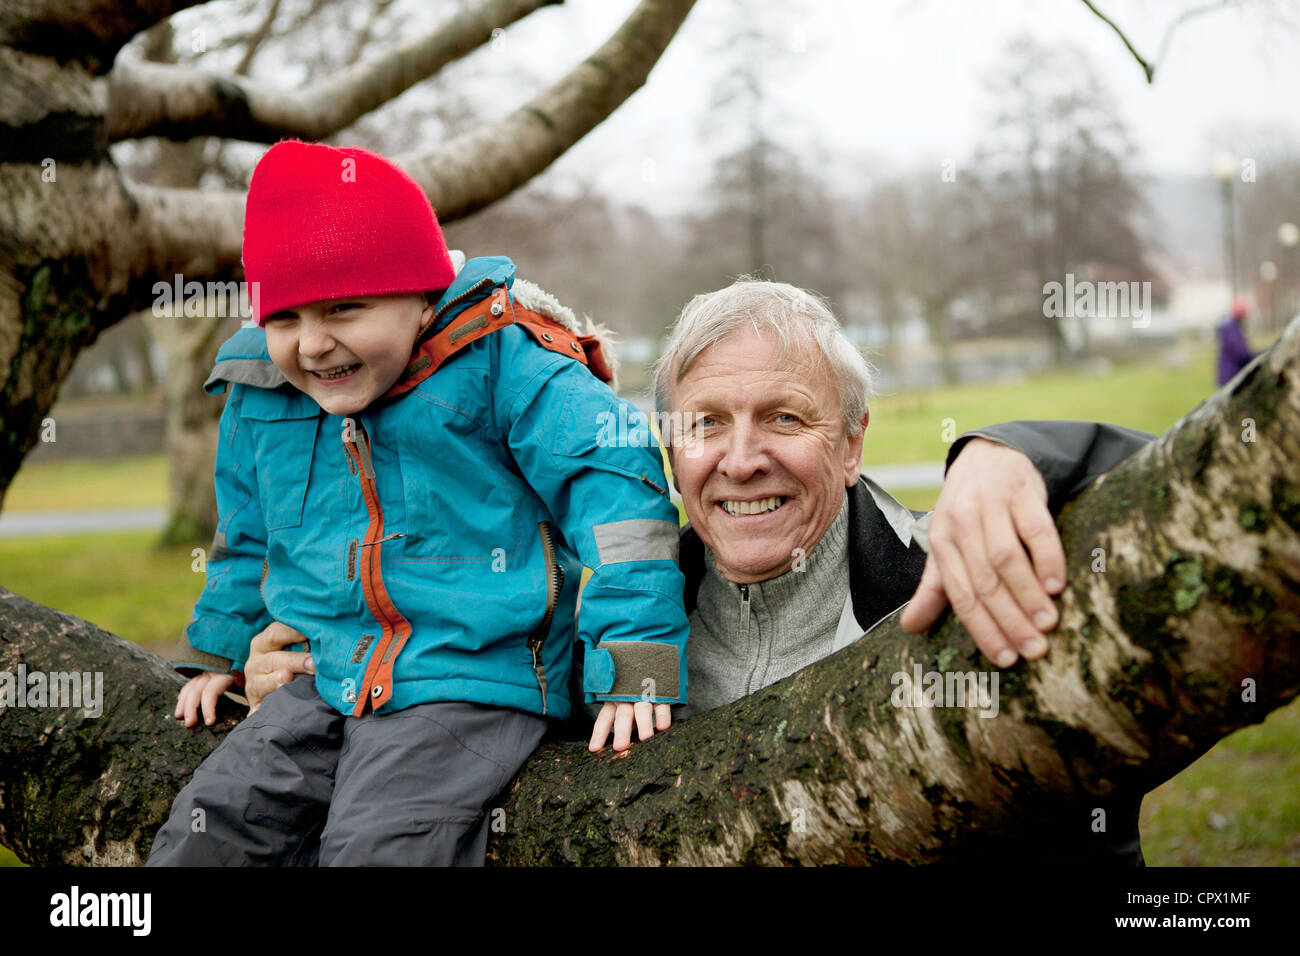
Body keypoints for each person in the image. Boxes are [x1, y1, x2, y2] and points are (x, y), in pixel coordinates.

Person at [244, 277, 1155, 864]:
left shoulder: (945, 574)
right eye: (706, 423)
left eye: (786, 419)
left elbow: (1205, 504)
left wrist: (1011, 452)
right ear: (667, 453)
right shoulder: (595, 625)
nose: (741, 457)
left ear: (852, 443)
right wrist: (338, 669)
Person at [147, 140, 689, 867]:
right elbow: (245, 535)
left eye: (345, 308)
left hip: (469, 678)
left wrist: (635, 660)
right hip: (323, 672)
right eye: (284, 318)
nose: (312, 345)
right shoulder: (262, 396)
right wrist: (220, 646)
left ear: (422, 296)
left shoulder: (502, 363)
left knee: (380, 844)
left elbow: (618, 491)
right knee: (215, 827)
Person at [1216, 296, 1256, 386]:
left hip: (1228, 376)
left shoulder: (1231, 327)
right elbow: (1241, 354)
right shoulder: (1232, 329)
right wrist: (1256, 356)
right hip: (1230, 378)